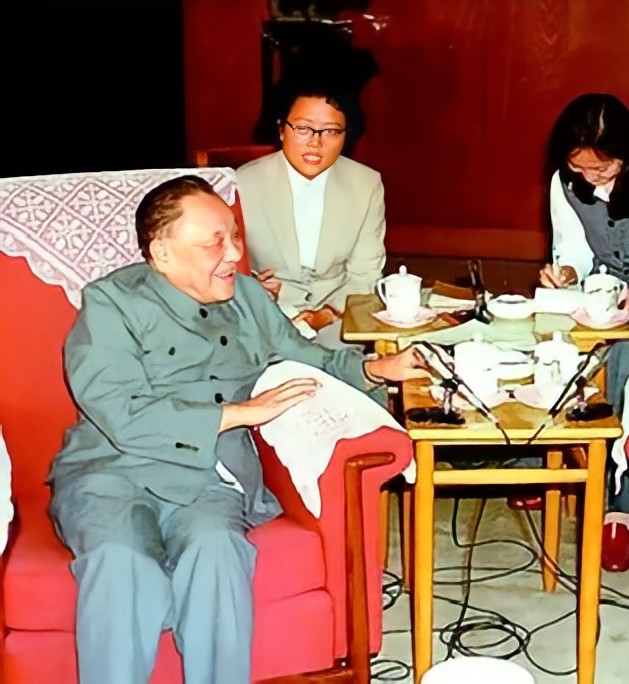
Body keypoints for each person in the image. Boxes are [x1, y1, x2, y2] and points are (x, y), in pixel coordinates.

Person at [48, 176, 423, 684]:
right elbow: (119, 409)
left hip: (209, 472)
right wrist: (242, 414)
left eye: (234, 236)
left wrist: (379, 370)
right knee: (119, 563)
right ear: (162, 253)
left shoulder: (247, 296)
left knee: (217, 551)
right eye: (214, 242)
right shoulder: (111, 303)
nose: (233, 253)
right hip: (111, 470)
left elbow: (309, 358)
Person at [531, 92, 629, 572]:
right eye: (580, 170)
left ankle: (619, 502)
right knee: (547, 354)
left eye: (603, 170)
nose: (591, 180)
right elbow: (573, 252)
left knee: (628, 370)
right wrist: (565, 274)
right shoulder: (565, 183)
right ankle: (543, 470)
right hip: (606, 299)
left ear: (628, 152)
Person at [237, 78, 386, 348]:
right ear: (282, 130)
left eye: (330, 131)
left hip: (338, 312)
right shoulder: (242, 183)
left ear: (345, 135)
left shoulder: (366, 184)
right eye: (304, 129)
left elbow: (365, 273)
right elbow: (223, 266)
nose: (315, 143)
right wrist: (252, 288)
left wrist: (326, 314)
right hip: (265, 312)